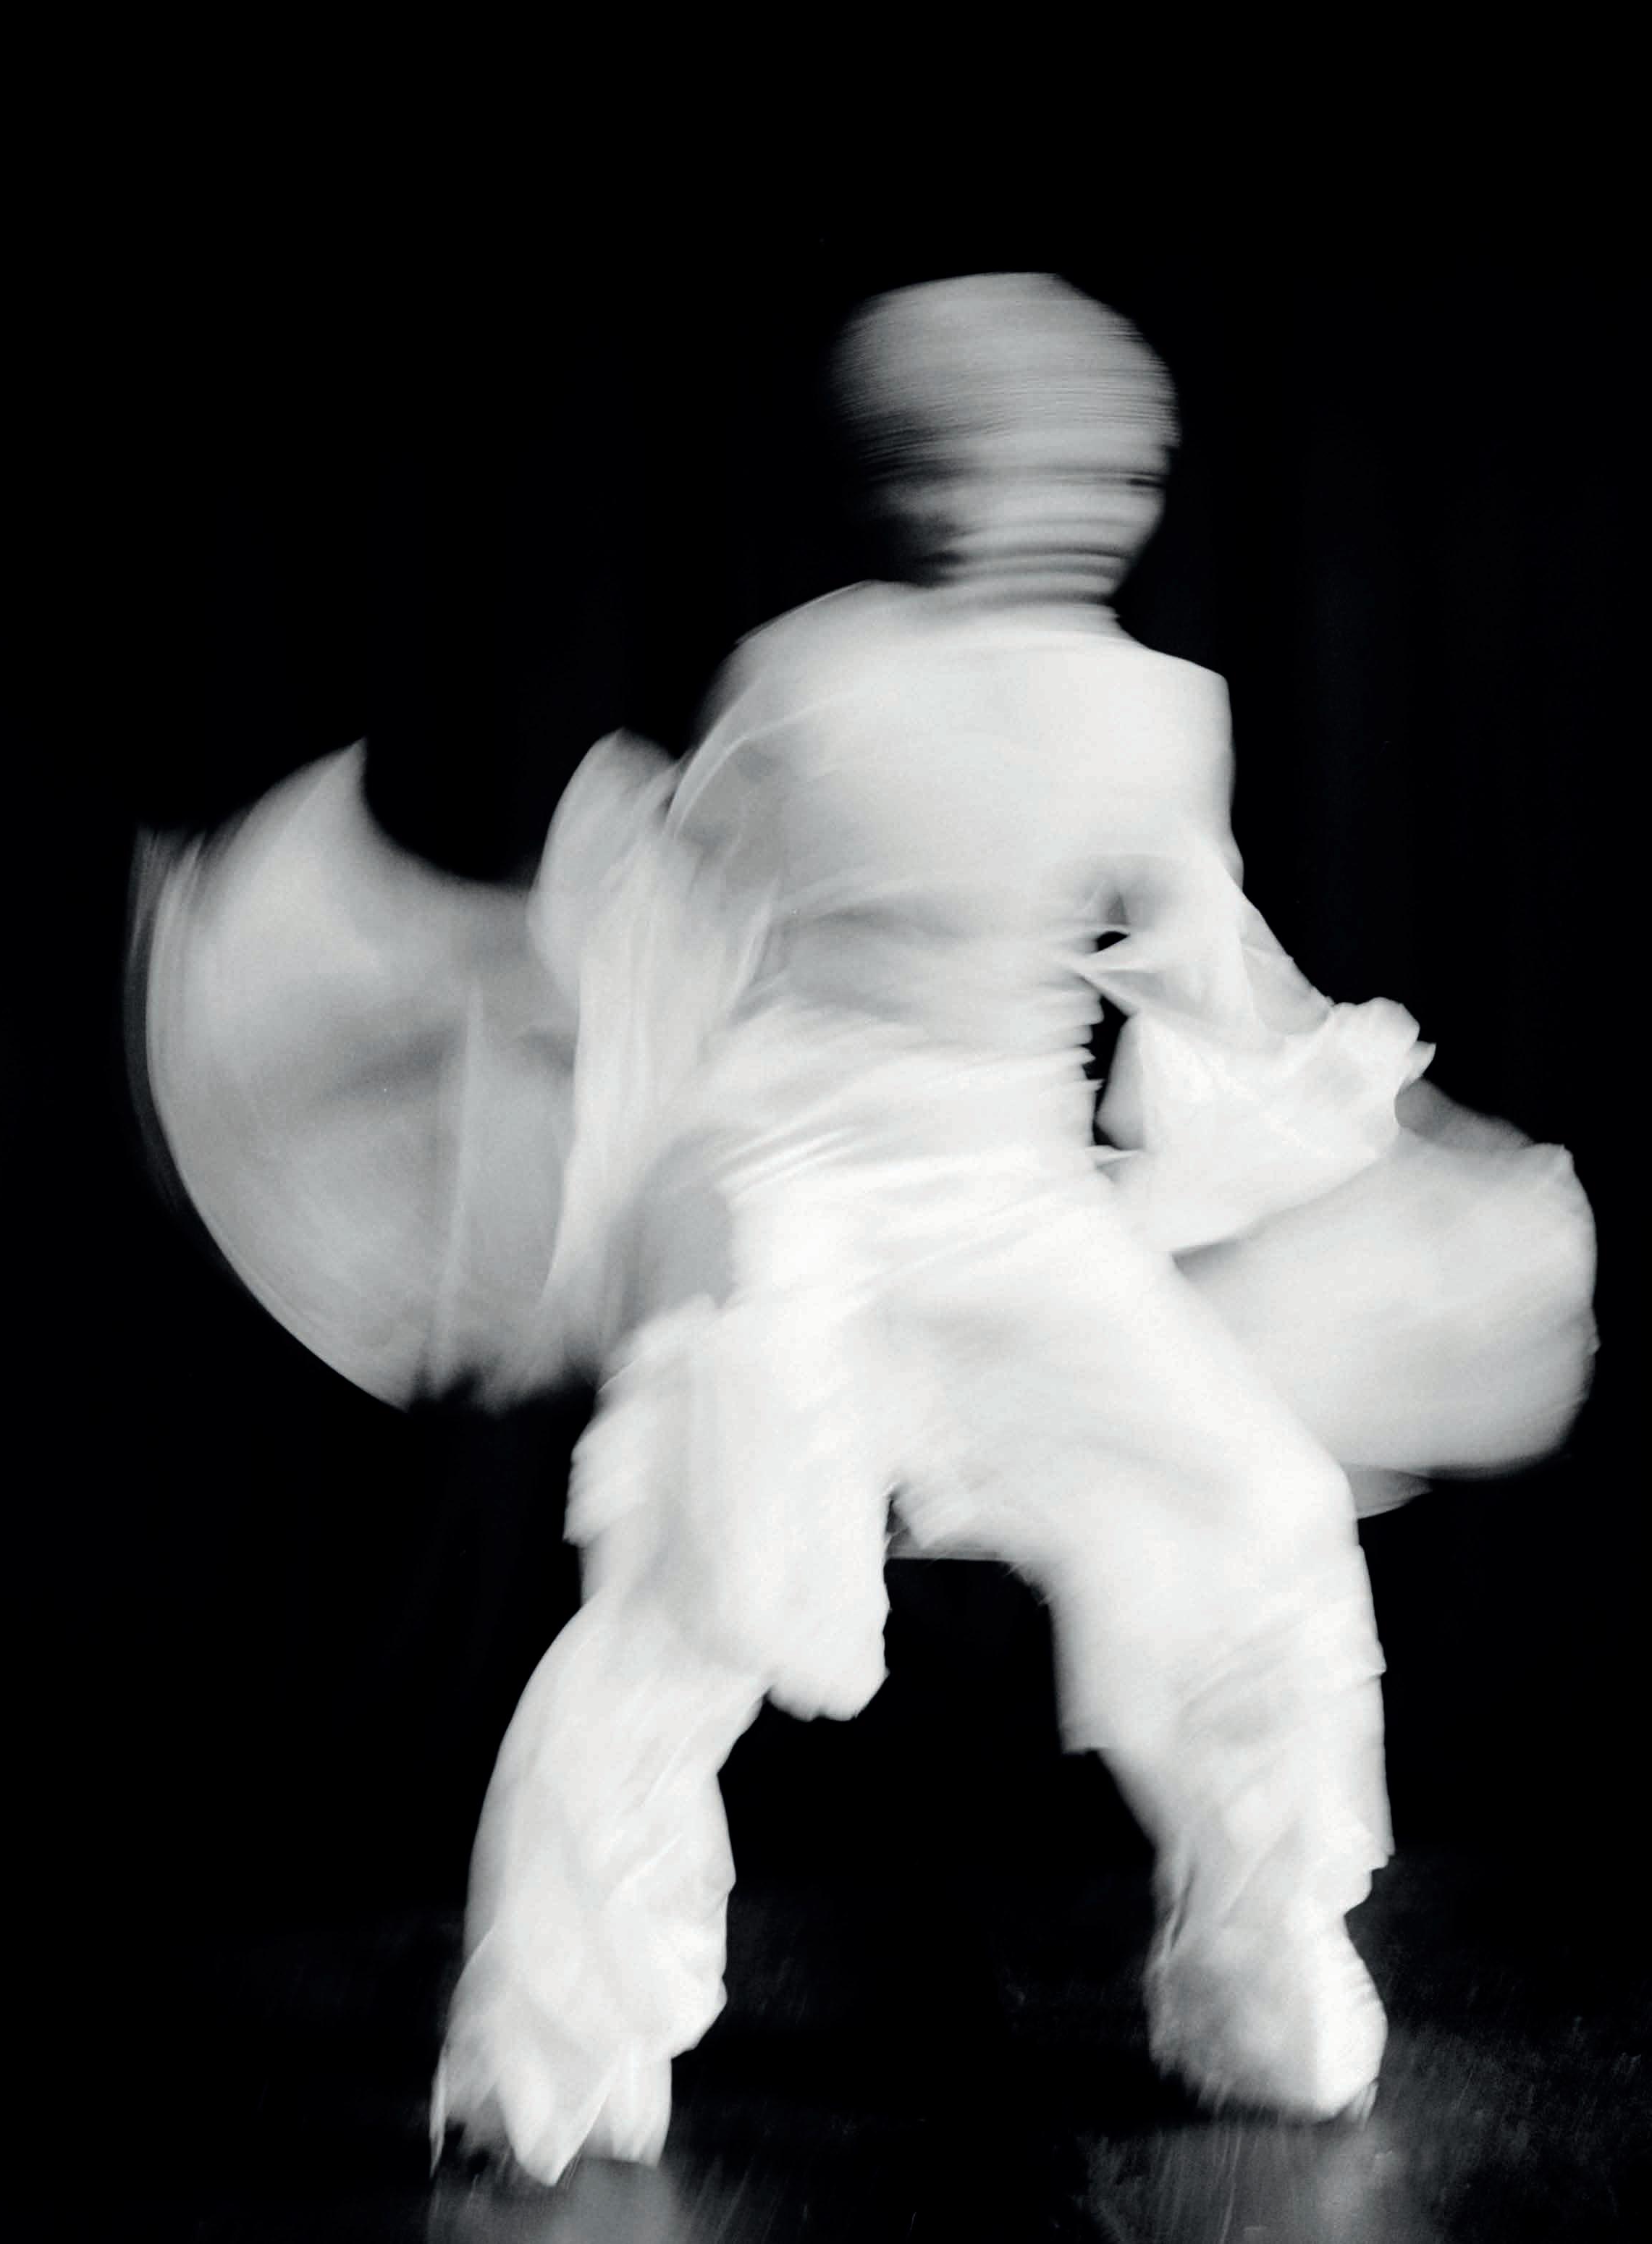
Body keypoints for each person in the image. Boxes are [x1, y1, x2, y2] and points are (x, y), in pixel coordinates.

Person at [134, 277, 1596, 2186]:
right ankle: (554, 2052)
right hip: (801, 1195)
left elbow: (1210, 965)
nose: (1081, 501)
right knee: (699, 1592)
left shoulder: (1159, 708)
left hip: (1014, 1209)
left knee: (1258, 1512)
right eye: (1032, 460)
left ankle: (1258, 1983)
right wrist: (463, 1028)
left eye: (1111, 468)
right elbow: (668, 939)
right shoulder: (811, 679)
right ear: (930, 475)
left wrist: (1392, 1112)